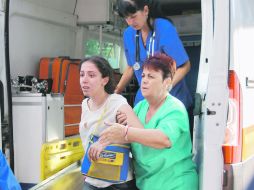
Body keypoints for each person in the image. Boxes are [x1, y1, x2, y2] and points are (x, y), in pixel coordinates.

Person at [89, 53, 198, 190]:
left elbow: (164, 139)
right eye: (143, 76)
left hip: (175, 183)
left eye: (151, 76)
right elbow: (133, 139)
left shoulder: (175, 108)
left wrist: (126, 132)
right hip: (147, 184)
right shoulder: (140, 107)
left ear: (167, 81)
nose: (144, 81)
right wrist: (104, 141)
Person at [114, 0, 193, 110]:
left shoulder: (163, 27)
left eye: (133, 16)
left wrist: (165, 89)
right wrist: (116, 91)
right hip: (144, 100)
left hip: (171, 98)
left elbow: (185, 66)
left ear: (145, 10)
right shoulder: (128, 34)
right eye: (126, 18)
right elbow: (131, 67)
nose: (130, 22)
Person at [79, 56, 139, 190]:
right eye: (82, 74)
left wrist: (125, 129)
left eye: (91, 75)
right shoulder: (84, 104)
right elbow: (87, 138)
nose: (84, 79)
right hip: (92, 178)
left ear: (104, 80)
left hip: (117, 183)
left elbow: (141, 133)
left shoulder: (117, 102)